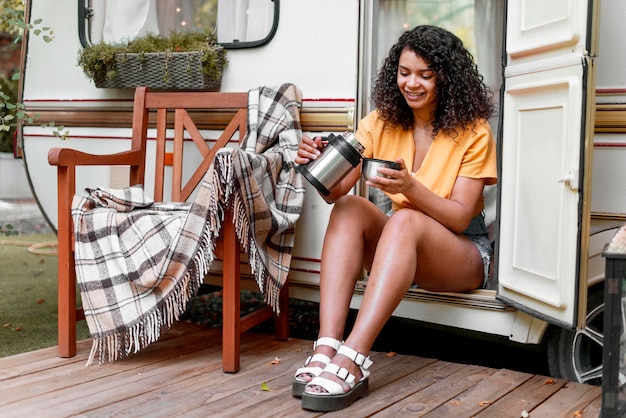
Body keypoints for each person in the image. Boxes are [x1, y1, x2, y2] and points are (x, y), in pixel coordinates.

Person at [291, 25, 497, 412]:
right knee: (351, 207)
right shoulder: (381, 121)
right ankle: (327, 345)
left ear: (446, 77)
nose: (411, 83)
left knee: (404, 220)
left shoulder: (474, 131)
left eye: (425, 74)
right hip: (400, 246)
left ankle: (354, 356)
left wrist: (410, 188)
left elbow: (457, 217)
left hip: (462, 253)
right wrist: (316, 162)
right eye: (404, 72)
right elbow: (336, 192)